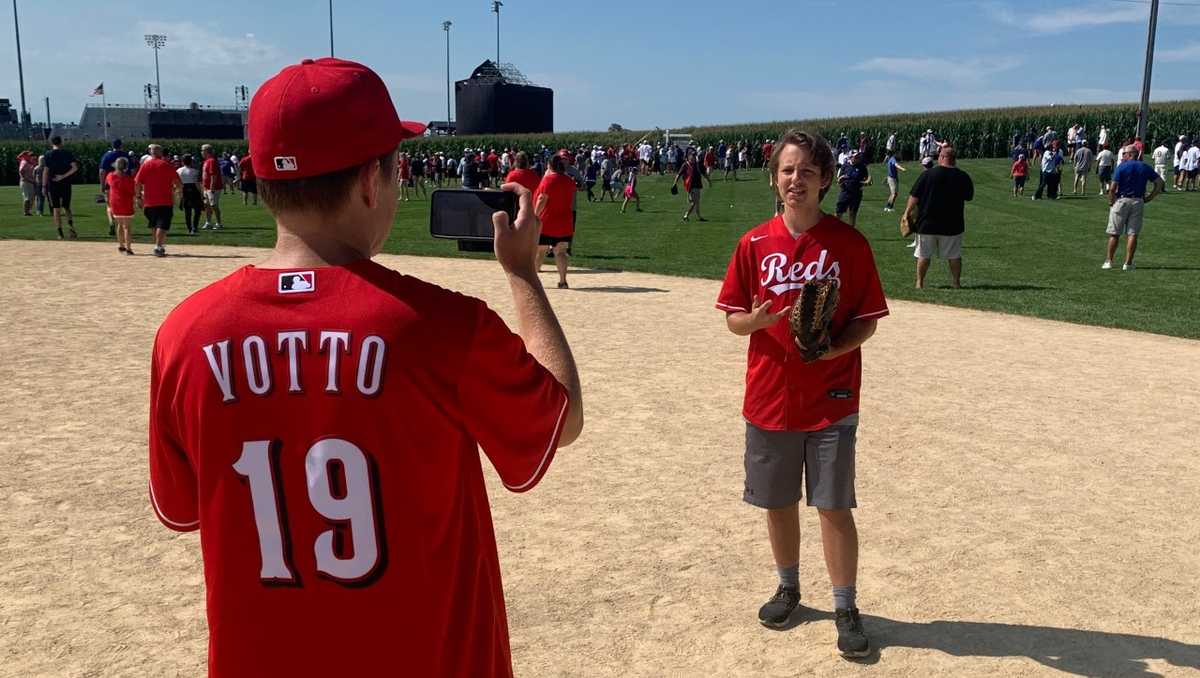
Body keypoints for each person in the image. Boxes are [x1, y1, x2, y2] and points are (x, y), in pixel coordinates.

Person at [149, 57, 583, 678]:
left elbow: (181, 509)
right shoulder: (440, 325)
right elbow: (560, 418)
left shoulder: (183, 336)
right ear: (369, 184)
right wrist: (522, 278)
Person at [716, 129, 887, 659]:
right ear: (775, 178)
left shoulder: (849, 245)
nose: (796, 180)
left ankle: (844, 605)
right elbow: (733, 319)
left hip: (832, 396)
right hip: (770, 395)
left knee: (834, 505)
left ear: (825, 180)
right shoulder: (754, 244)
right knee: (778, 500)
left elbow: (866, 321)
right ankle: (789, 587)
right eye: (788, 170)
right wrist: (757, 320)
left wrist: (835, 349)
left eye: (807, 171)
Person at [904, 145, 974, 289]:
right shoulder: (963, 176)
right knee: (954, 255)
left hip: (927, 223)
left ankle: (920, 283)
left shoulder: (928, 174)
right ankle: (956, 283)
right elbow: (969, 197)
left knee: (923, 255)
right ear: (954, 160)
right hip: (952, 224)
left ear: (941, 158)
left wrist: (906, 213)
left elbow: (914, 196)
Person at [1103, 145, 1164, 271]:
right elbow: (1159, 182)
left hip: (1122, 200)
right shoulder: (1145, 167)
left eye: (1124, 153)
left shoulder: (1122, 167)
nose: (1122, 156)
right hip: (1138, 201)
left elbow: (1113, 188)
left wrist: (1111, 201)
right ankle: (1128, 263)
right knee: (1132, 233)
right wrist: (1150, 197)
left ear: (1130, 154)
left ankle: (1109, 261)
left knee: (1114, 233)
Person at [534, 153, 578, 290]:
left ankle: (534, 280)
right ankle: (563, 281)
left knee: (540, 251)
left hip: (547, 221)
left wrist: (535, 215)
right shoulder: (569, 181)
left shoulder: (548, 180)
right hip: (564, 222)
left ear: (550, 165)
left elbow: (542, 199)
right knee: (561, 252)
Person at [134, 144, 182, 257]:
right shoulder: (166, 165)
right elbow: (177, 182)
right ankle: (159, 247)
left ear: (151, 153)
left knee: (154, 224)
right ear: (160, 153)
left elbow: (137, 182)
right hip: (165, 200)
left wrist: (138, 197)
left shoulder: (145, 165)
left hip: (149, 201)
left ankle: (157, 244)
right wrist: (178, 191)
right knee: (162, 225)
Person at [43, 135, 79, 239]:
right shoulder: (67, 153)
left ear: (52, 143)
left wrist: (43, 186)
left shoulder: (48, 154)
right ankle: (71, 228)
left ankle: (60, 232)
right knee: (67, 207)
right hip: (66, 183)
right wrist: (63, 176)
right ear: (61, 143)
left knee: (56, 208)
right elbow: (75, 167)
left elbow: (46, 171)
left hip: (53, 184)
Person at [99, 139, 130, 236]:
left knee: (109, 204)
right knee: (124, 204)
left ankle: (112, 222)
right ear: (121, 145)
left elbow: (102, 171)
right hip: (124, 182)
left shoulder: (107, 156)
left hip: (110, 182)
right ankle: (123, 225)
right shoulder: (125, 155)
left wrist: (102, 184)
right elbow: (132, 170)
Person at [106, 156, 136, 255]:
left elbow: (107, 187)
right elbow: (133, 191)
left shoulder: (110, 176)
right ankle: (128, 248)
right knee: (127, 226)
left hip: (115, 203)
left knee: (119, 224)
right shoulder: (129, 179)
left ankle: (121, 246)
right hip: (126, 203)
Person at [834, 150, 870, 227]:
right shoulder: (845, 166)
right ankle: (834, 230)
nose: (858, 158)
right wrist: (841, 180)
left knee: (853, 213)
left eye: (858, 157)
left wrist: (866, 182)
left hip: (856, 193)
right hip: (845, 192)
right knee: (838, 212)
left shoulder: (862, 167)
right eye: (856, 157)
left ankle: (851, 233)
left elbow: (867, 179)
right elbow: (839, 179)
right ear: (850, 157)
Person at [673, 148, 710, 222]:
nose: (693, 156)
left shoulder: (697, 164)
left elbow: (704, 173)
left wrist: (709, 181)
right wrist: (674, 183)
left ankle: (699, 217)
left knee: (697, 202)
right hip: (690, 186)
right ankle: (686, 215)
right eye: (692, 155)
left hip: (698, 186)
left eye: (694, 155)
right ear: (688, 156)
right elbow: (678, 175)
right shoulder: (685, 165)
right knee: (693, 203)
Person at [177, 154, 203, 234]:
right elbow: (197, 184)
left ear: (182, 162)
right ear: (191, 161)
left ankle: (189, 228)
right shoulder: (195, 171)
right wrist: (201, 194)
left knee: (187, 212)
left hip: (184, 189)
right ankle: (195, 227)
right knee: (197, 210)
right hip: (193, 190)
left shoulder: (179, 171)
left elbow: (178, 184)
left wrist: (180, 195)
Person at [201, 145, 225, 230]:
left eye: (202, 150)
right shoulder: (206, 161)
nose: (201, 152)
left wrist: (212, 188)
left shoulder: (211, 161)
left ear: (207, 151)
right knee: (206, 205)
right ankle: (208, 222)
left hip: (213, 188)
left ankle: (219, 223)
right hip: (206, 188)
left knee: (214, 205)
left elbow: (213, 175)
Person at [18, 150, 39, 216]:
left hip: (31, 182)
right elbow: (21, 171)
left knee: (32, 197)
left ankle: (28, 211)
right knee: (27, 198)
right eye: (30, 155)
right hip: (25, 182)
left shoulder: (30, 162)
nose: (31, 156)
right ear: (27, 156)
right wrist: (23, 177)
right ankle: (26, 212)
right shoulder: (24, 162)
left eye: (32, 155)